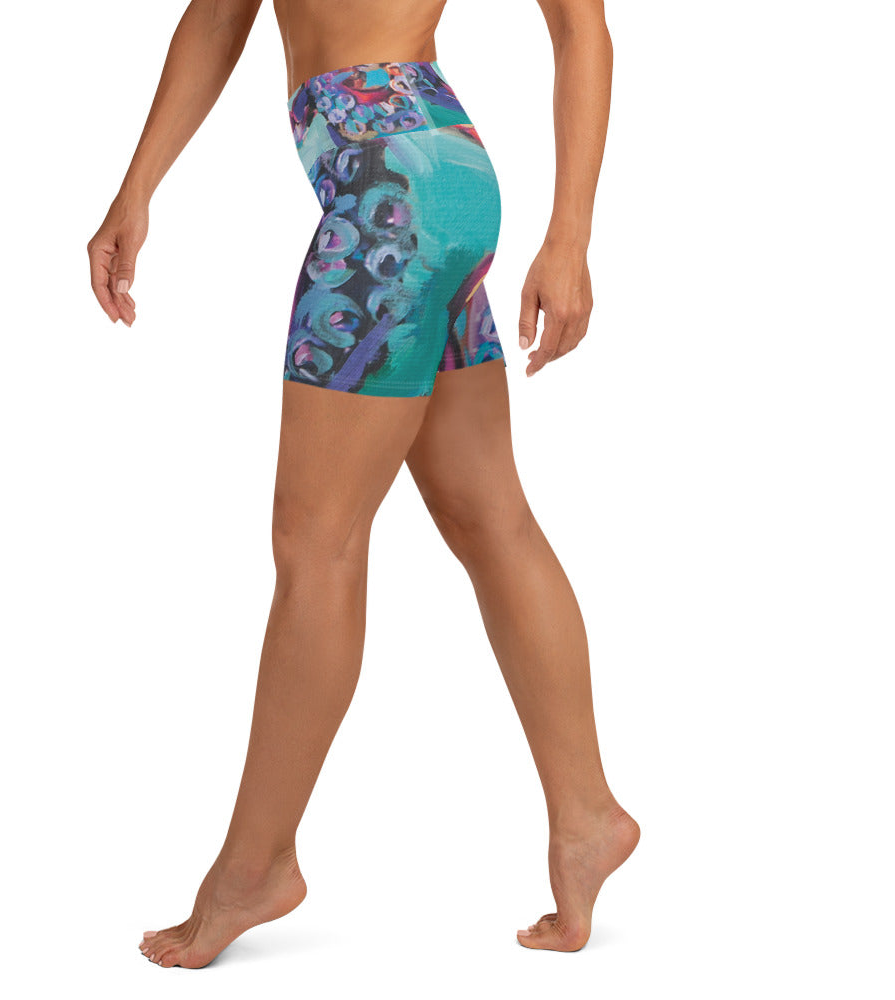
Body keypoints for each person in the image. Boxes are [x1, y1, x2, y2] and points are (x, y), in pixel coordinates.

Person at [87, 0, 637, 968]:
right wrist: (137, 191)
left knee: (316, 543)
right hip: (428, 176)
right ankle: (588, 816)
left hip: (392, 191)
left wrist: (570, 239)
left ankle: (255, 866)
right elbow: (219, 14)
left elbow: (580, 26)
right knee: (487, 515)